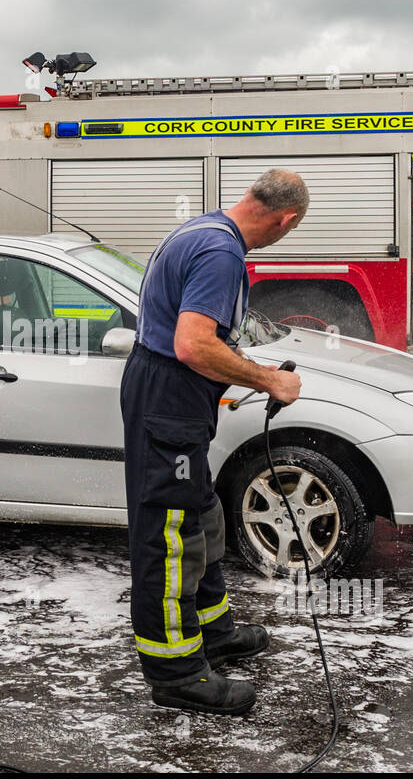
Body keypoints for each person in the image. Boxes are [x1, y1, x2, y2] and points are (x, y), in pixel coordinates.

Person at [121, 168, 308, 715]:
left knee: (200, 514)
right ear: (285, 219)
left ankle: (214, 630)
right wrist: (271, 378)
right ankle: (176, 673)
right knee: (170, 533)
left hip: (167, 394)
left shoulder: (202, 229)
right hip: (170, 396)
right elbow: (193, 345)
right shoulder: (222, 254)